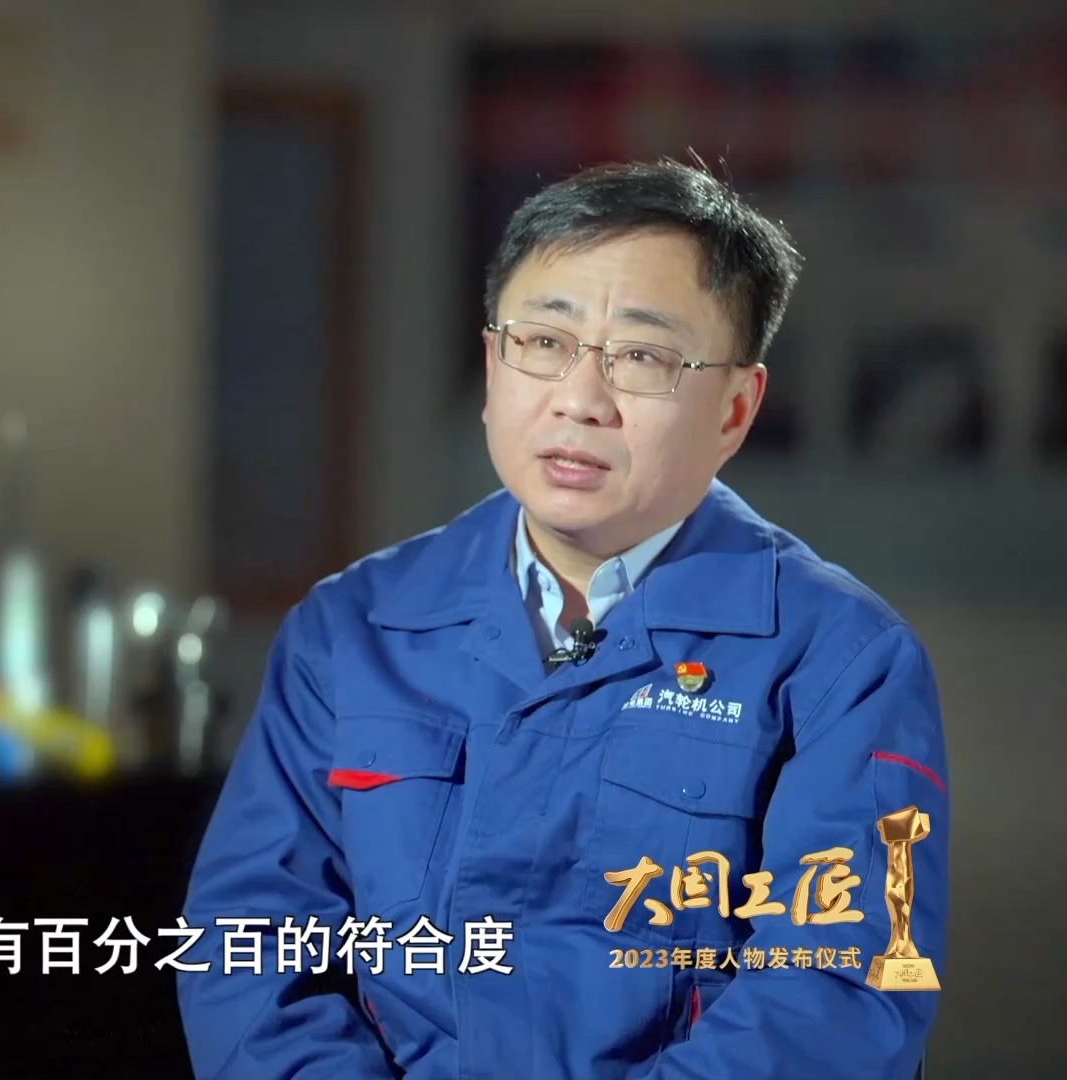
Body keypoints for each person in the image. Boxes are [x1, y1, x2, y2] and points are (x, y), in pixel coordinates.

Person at [176, 160, 949, 1080]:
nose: (579, 400)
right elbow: (248, 943)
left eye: (644, 358)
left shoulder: (840, 661)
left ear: (736, 409)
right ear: (492, 363)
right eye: (542, 342)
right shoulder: (354, 630)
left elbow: (840, 992)